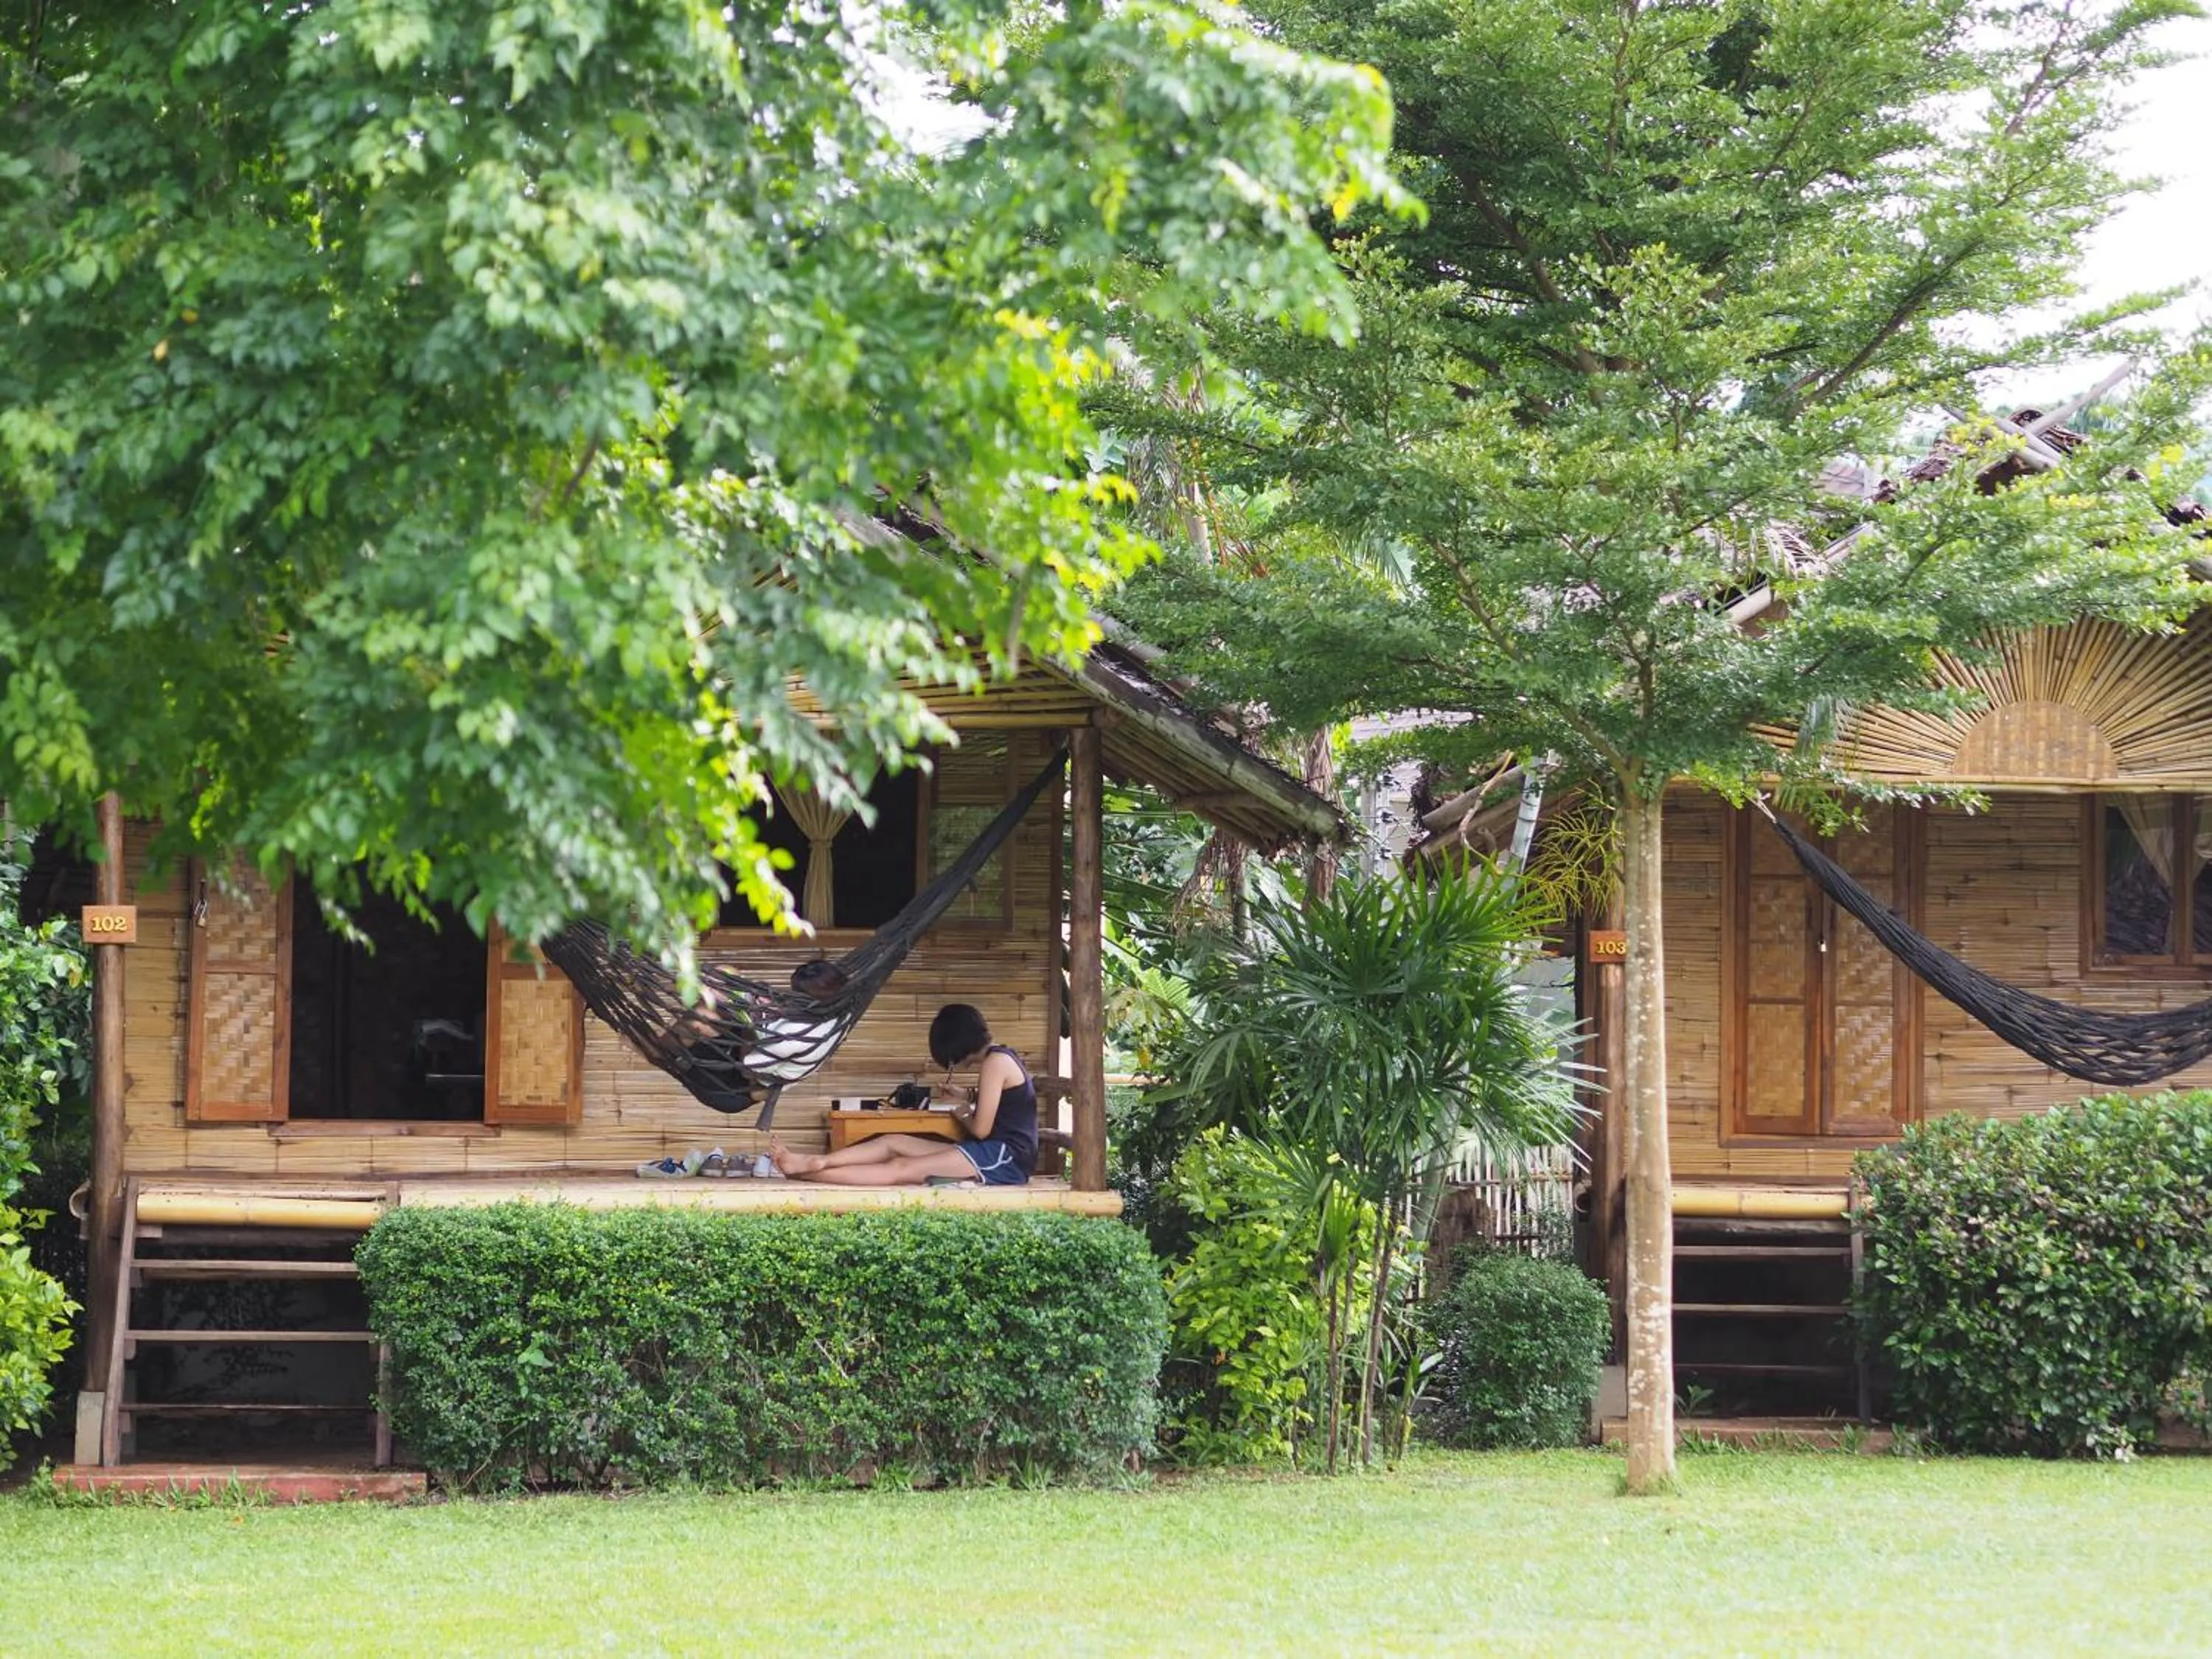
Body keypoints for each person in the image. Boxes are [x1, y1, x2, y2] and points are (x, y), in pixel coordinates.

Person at [771, 1003, 1037, 1187]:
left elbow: (980, 1129)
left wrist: (963, 1113)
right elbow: (1008, 1101)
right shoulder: (1001, 1057)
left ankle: (805, 1174)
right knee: (892, 1141)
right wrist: (965, 1094)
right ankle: (817, 1161)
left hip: (1006, 1158)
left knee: (901, 1168)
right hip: (992, 1150)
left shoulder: (995, 1062)